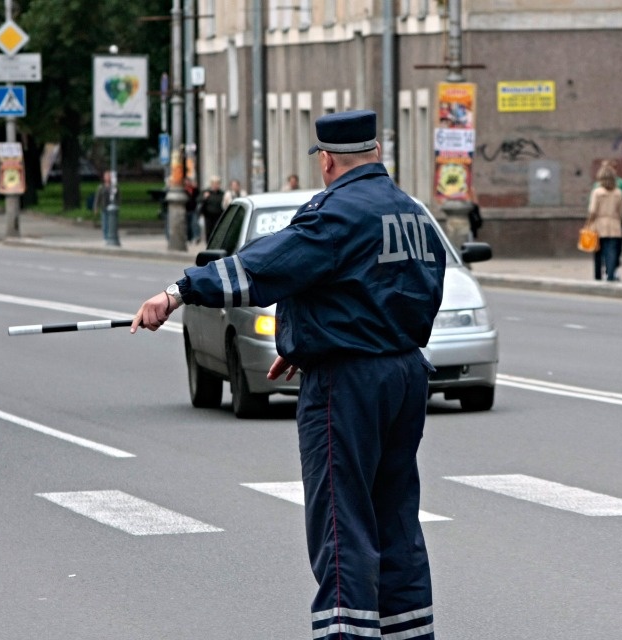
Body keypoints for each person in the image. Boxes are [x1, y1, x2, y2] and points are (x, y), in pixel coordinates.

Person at [131, 110, 445, 640]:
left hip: (348, 384)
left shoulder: (337, 211)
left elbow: (268, 266)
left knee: (342, 525)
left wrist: (178, 292)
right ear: (375, 153)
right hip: (404, 374)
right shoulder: (410, 212)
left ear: (326, 160)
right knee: (395, 520)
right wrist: (311, 339)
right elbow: (396, 293)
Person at [586, 163, 622, 282]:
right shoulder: (619, 193)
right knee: (612, 251)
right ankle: (611, 274)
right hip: (614, 224)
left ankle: (598, 275)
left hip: (598, 224)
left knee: (597, 251)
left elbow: (592, 210)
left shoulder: (597, 192)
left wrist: (589, 223)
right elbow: (621, 211)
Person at [92, 171, 120, 245]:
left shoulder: (114, 186)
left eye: (108, 176)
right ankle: (105, 238)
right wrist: (96, 207)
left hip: (111, 207)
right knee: (105, 223)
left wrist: (117, 205)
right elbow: (97, 198)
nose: (107, 178)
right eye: (106, 176)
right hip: (104, 207)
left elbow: (118, 196)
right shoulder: (101, 187)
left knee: (111, 223)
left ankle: (111, 237)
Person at [198, 175, 225, 242]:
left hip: (218, 215)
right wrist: (204, 197)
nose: (215, 185)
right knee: (209, 231)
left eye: (217, 183)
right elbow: (198, 200)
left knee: (217, 230)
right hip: (208, 216)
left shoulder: (221, 193)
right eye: (214, 183)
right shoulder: (206, 192)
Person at [183, 177, 200, 243]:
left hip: (193, 209)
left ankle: (196, 236)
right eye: (186, 182)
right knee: (188, 225)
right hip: (186, 209)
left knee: (194, 223)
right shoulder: (183, 190)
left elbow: (198, 197)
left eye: (188, 181)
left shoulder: (194, 189)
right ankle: (189, 238)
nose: (187, 183)